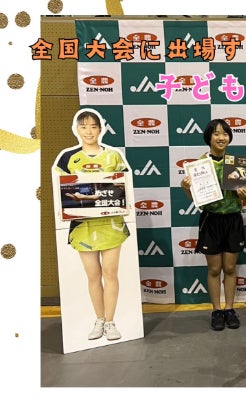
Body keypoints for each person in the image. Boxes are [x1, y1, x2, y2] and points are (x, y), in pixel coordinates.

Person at [53, 108, 130, 341]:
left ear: (100, 129)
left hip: (110, 224)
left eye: (93, 126)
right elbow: (59, 189)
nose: (89, 131)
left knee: (110, 273)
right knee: (93, 276)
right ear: (76, 129)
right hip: (82, 226)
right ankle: (99, 319)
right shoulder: (67, 158)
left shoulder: (113, 156)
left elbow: (123, 186)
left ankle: (111, 322)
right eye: (84, 126)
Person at [180, 119, 246, 331]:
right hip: (211, 220)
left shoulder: (236, 163)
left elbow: (245, 197)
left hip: (233, 220)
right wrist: (186, 188)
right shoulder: (200, 165)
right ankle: (216, 310)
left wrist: (245, 195)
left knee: (229, 268)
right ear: (209, 137)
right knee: (214, 269)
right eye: (216, 133)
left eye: (225, 134)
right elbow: (197, 200)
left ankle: (229, 309)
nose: (221, 137)